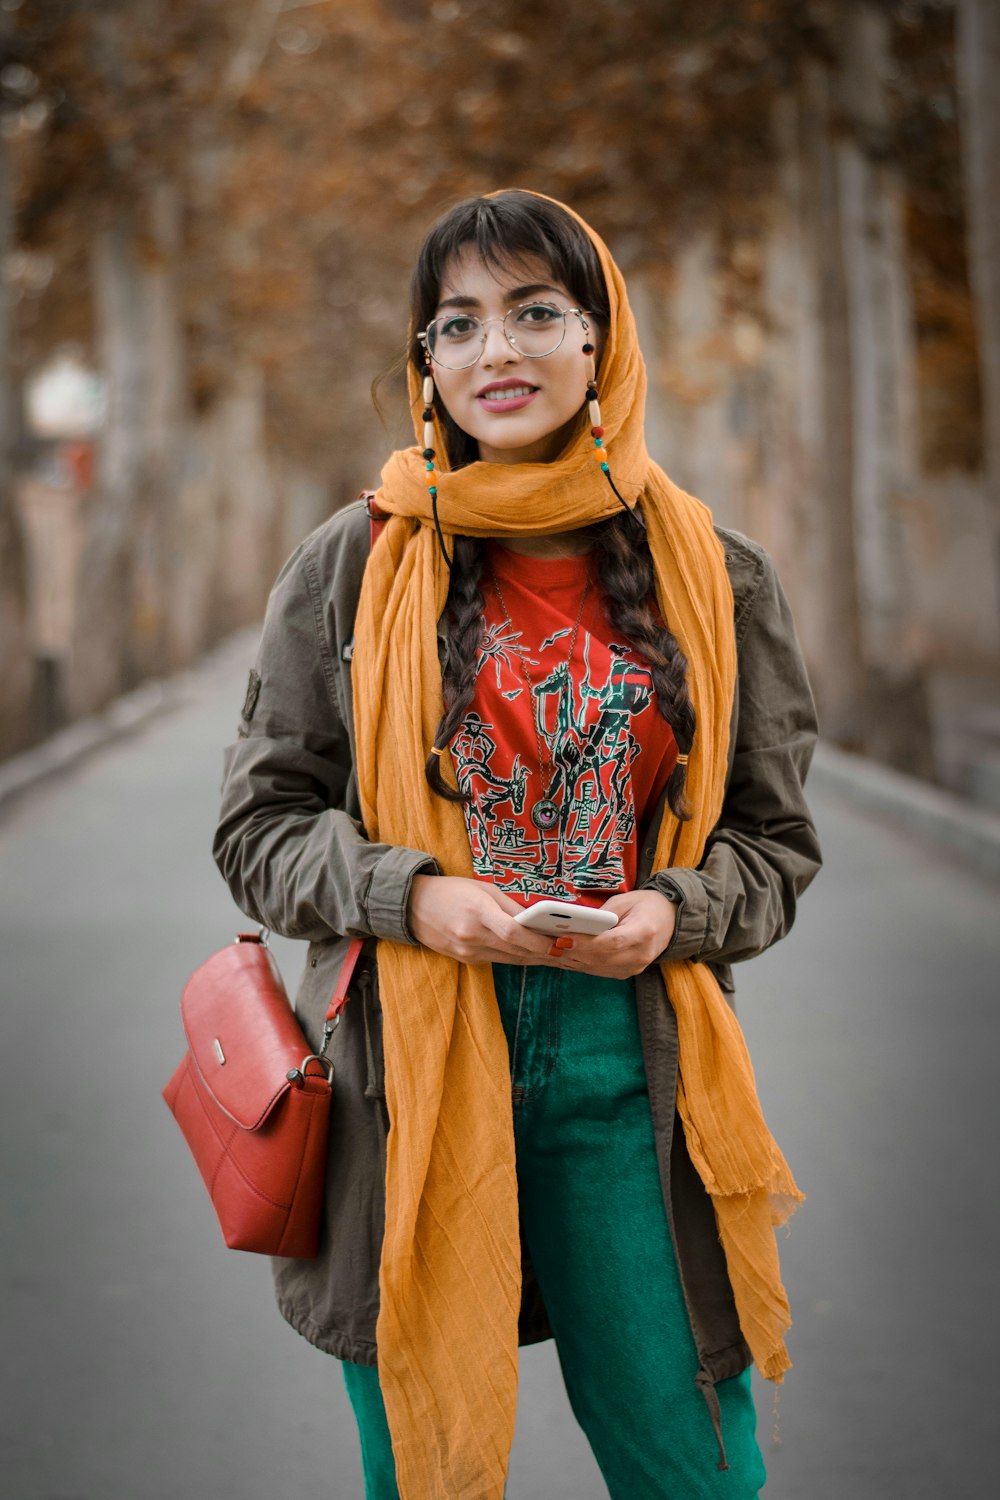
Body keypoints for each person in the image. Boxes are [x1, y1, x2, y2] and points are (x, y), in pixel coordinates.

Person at [213, 189, 822, 1500]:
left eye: (537, 312)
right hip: (405, 1076)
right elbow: (259, 829)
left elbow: (773, 845)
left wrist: (674, 911)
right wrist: (419, 900)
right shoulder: (351, 563)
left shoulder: (716, 575)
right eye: (458, 324)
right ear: (425, 361)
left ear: (602, 340)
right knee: (424, 1466)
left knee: (694, 1470)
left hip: (633, 1070)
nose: (498, 352)